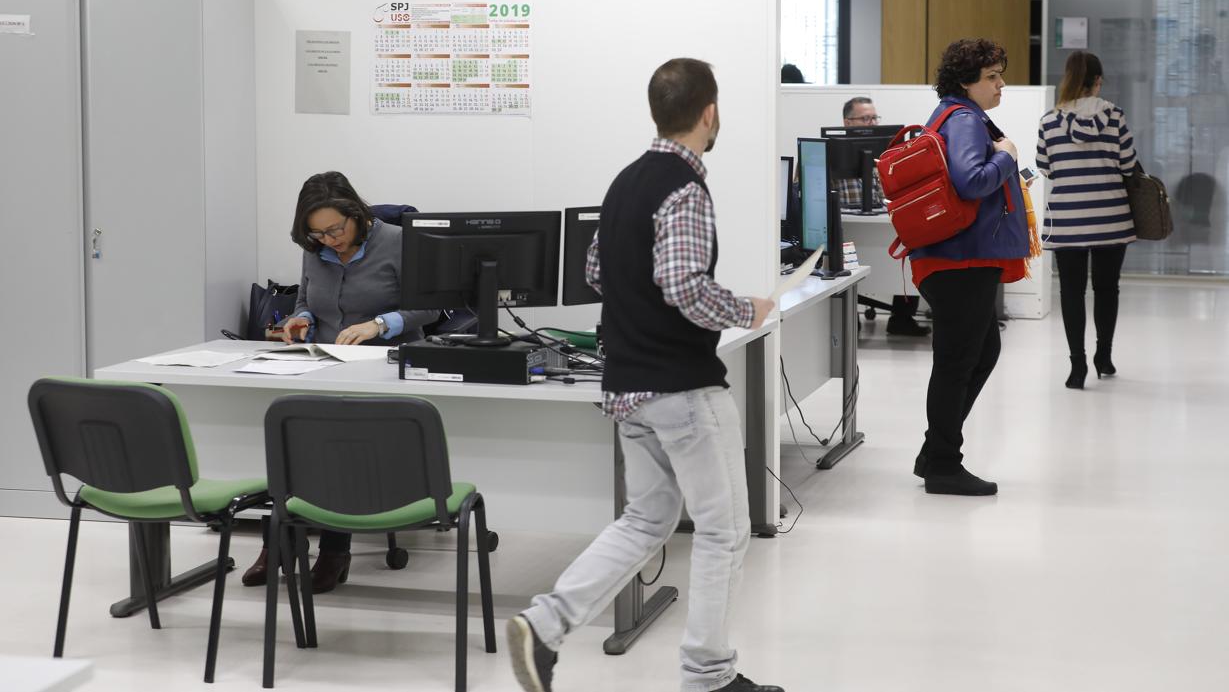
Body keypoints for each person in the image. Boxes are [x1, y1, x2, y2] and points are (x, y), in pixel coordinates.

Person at [505, 58, 782, 692]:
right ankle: (708, 677)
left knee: (646, 521)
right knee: (724, 531)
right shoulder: (683, 187)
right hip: (681, 387)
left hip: (627, 385)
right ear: (709, 114)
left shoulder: (625, 182)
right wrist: (749, 310)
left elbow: (600, 272)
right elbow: (684, 287)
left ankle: (546, 625)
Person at [239, 170, 440, 592]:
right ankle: (282, 539)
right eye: (318, 234)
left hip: (387, 367)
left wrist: (379, 325)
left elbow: (432, 309)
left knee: (336, 438)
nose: (329, 240)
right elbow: (306, 301)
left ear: (357, 213)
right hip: (326, 364)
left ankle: (334, 551)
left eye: (336, 229)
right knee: (290, 432)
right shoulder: (315, 249)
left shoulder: (400, 242)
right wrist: (301, 320)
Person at [909, 39, 1032, 496]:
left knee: (979, 353)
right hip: (961, 259)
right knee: (957, 361)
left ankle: (934, 451)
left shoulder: (953, 113)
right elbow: (972, 179)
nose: (1001, 84)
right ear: (967, 82)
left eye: (1000, 74)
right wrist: (1007, 154)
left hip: (961, 257)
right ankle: (942, 463)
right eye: (992, 77)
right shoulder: (962, 118)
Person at [1037, 51, 1138, 389]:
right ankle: (1103, 356)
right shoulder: (1115, 116)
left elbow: (1046, 167)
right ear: (1097, 81)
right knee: (1107, 289)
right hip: (1111, 217)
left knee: (1071, 292)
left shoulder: (1049, 120)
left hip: (1067, 220)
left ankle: (1076, 366)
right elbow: (1128, 166)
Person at [839, 96, 930, 336]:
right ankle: (848, 317)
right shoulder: (830, 152)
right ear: (848, 123)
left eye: (874, 118)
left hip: (883, 223)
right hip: (846, 230)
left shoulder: (885, 155)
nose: (871, 123)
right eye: (865, 118)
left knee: (915, 244)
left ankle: (902, 318)